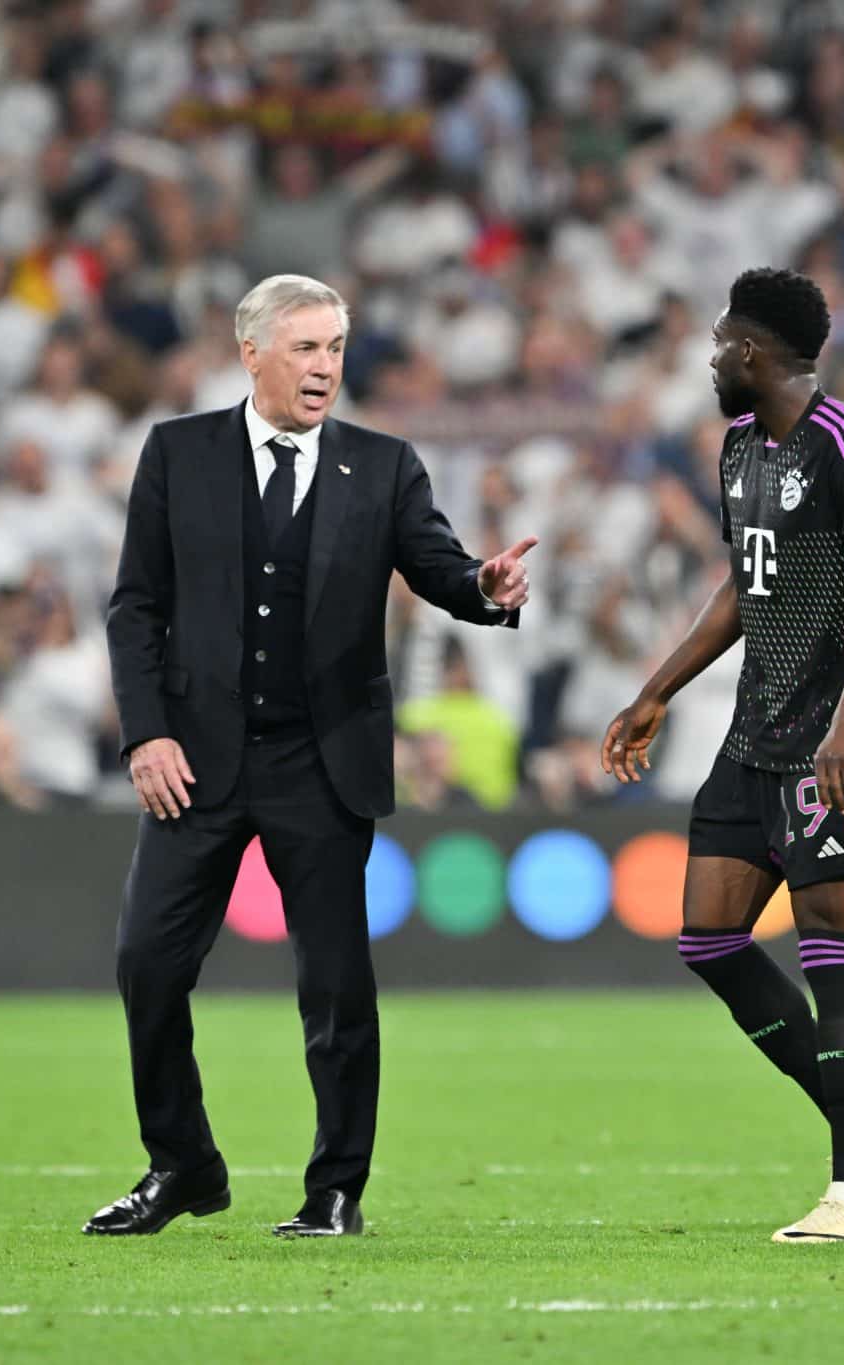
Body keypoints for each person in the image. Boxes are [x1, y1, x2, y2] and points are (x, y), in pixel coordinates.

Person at [89, 275, 536, 1240]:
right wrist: (146, 730)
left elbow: (440, 565)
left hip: (321, 763)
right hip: (193, 762)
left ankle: (336, 1190)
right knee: (146, 965)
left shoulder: (383, 466)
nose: (326, 366)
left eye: (335, 347)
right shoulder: (177, 454)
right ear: (251, 353)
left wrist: (486, 589)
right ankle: (182, 1165)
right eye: (306, 348)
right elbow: (135, 607)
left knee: (336, 987)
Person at [602, 268, 844, 1245]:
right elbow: (744, 587)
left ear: (752, 352)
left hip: (833, 738)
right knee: (707, 937)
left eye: (715, 346)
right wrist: (658, 687)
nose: (708, 361)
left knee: (831, 953)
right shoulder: (740, 448)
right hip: (755, 733)